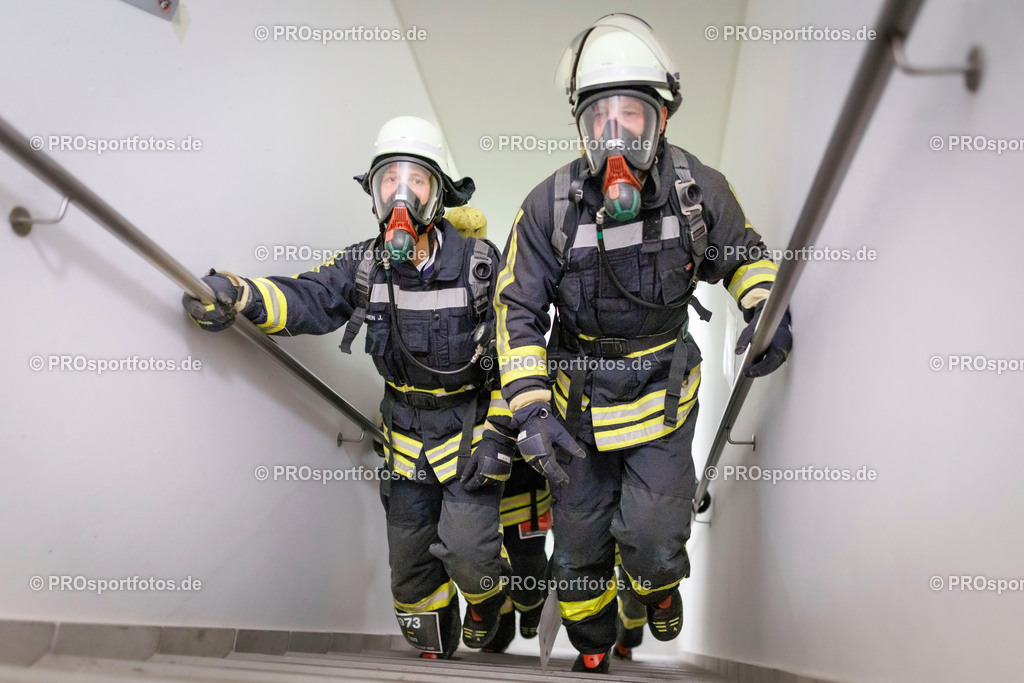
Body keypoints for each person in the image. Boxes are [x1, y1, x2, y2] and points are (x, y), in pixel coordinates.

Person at [493, 15, 793, 674]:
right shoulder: (547, 208)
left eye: (633, 115)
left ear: (662, 119)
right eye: (600, 119)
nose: (617, 136)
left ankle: (655, 588)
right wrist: (531, 409)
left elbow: (745, 255)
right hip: (576, 412)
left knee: (655, 537)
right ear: (581, 127)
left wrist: (764, 312)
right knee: (577, 551)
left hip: (662, 399)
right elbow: (516, 308)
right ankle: (593, 643)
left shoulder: (697, 192)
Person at [182, 116, 514, 659]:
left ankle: (485, 601)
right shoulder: (364, 264)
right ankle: (436, 638)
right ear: (374, 193)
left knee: (471, 553)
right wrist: (239, 294)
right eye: (389, 181)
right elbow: (309, 298)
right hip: (405, 435)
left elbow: (515, 348)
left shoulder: (480, 265)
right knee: (410, 571)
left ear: (438, 195)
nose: (401, 195)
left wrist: (500, 434)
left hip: (469, 431)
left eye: (416, 181)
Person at [445, 207, 552, 655]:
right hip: (471, 456)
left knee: (528, 569)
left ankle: (529, 604)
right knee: (486, 554)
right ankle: (501, 618)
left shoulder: (508, 292)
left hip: (522, 467)